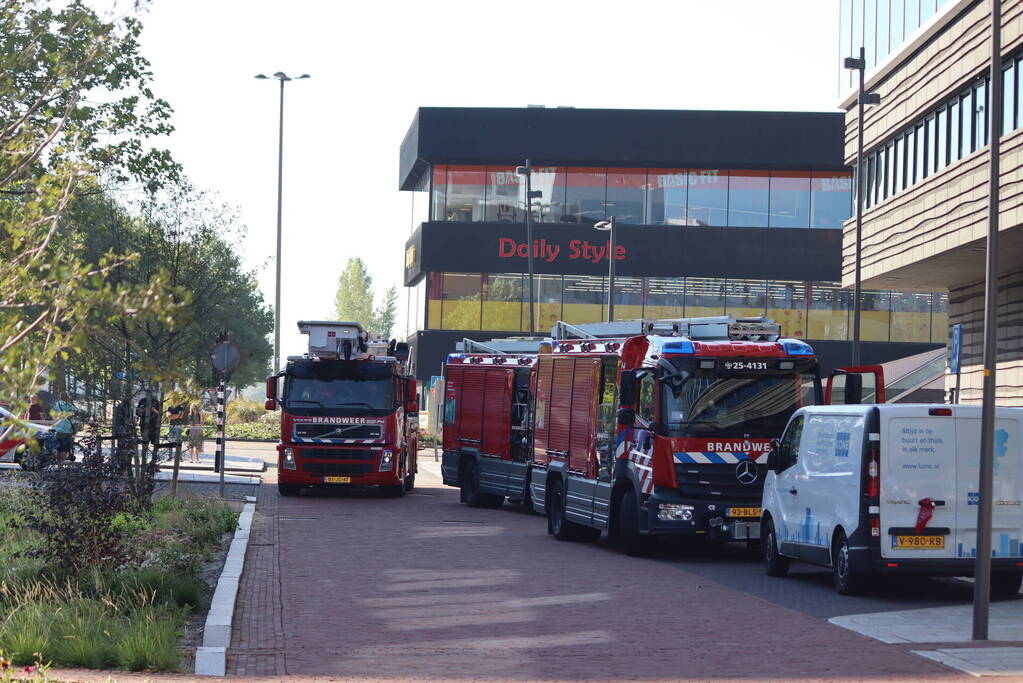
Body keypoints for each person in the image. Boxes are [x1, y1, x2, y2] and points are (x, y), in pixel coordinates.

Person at [51, 391, 77, 462]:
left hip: (63, 429)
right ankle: (61, 464)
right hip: (64, 429)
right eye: (67, 396)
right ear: (66, 397)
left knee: (61, 449)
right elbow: (75, 412)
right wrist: (71, 413)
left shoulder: (60, 404)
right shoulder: (62, 405)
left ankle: (60, 464)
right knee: (64, 449)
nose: (68, 397)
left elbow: (76, 411)